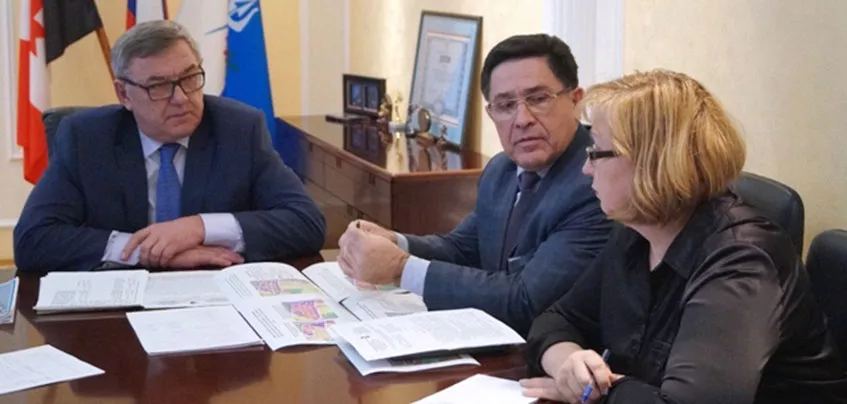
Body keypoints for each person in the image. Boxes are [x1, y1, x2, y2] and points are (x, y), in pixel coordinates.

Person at [521, 69, 847, 403]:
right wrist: (569, 364)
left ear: (652, 163)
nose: (586, 168)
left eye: (597, 152)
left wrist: (596, 393)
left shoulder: (743, 261)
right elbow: (556, 319)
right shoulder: (636, 232)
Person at [336, 34, 612, 335]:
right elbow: (463, 248)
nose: (522, 119)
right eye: (506, 105)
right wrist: (396, 242)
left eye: (538, 99)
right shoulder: (501, 169)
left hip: (560, 355)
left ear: (576, 100)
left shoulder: (598, 182)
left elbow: (527, 301)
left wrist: (401, 269)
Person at [13, 20, 326, 272]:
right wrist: (149, 252)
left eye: (190, 78)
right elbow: (32, 239)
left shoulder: (239, 129)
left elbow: (306, 222)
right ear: (124, 95)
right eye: (159, 86)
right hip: (118, 305)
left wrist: (199, 228)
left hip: (214, 297)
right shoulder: (85, 138)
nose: (181, 98)